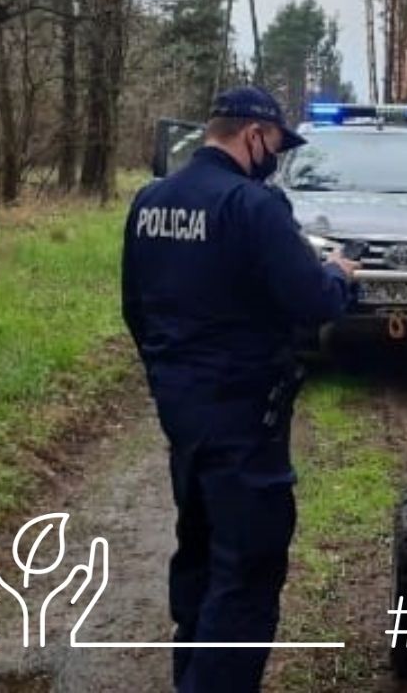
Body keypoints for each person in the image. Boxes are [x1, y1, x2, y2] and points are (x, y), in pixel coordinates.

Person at [121, 86, 359, 693]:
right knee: (248, 572)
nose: (276, 156)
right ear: (254, 136)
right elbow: (310, 304)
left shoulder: (150, 201)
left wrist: (170, 381)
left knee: (198, 553)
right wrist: (337, 276)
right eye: (277, 143)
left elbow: (137, 311)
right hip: (246, 422)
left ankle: (190, 677)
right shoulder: (252, 207)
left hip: (185, 417)